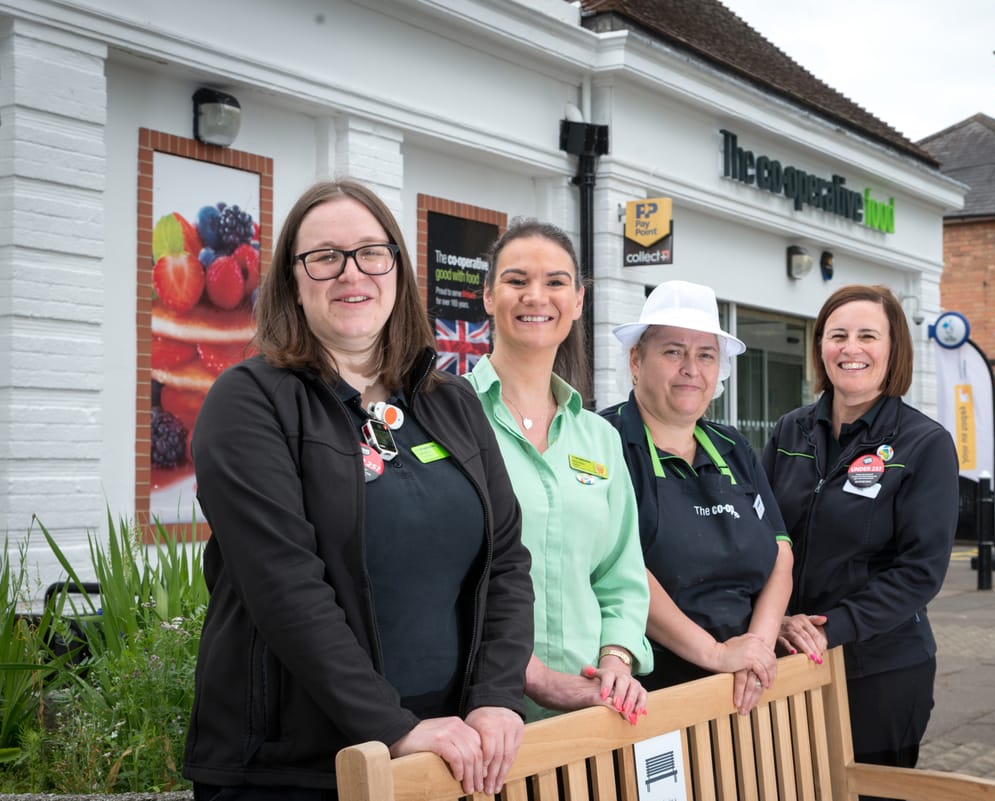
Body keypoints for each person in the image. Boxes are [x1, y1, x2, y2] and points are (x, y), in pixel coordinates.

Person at [184, 179, 534, 800]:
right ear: (293, 280)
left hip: (449, 751)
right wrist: (391, 727)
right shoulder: (250, 401)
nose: (353, 274)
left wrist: (497, 699)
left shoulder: (449, 400)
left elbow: (507, 560)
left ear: (397, 268)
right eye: (324, 257)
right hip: (296, 769)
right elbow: (286, 588)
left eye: (372, 253)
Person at [763, 284, 957, 782]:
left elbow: (919, 573)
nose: (851, 348)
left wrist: (828, 629)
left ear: (893, 352)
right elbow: (760, 533)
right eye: (837, 335)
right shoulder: (789, 431)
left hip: (879, 670)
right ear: (820, 348)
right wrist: (775, 622)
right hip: (788, 657)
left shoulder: (924, 443)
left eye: (868, 336)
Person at [466, 219, 652, 725]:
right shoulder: (448, 419)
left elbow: (620, 576)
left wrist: (616, 659)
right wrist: (530, 674)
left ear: (578, 301)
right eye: (516, 280)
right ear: (487, 296)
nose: (535, 296)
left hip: (593, 711)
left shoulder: (600, 438)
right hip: (481, 714)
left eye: (554, 282)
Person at [600, 280, 794, 716]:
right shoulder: (602, 441)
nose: (691, 368)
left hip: (745, 688)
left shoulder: (733, 447)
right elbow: (617, 568)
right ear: (636, 359)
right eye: (673, 351)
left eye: (705, 355)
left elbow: (781, 551)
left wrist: (755, 651)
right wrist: (715, 653)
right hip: (650, 693)